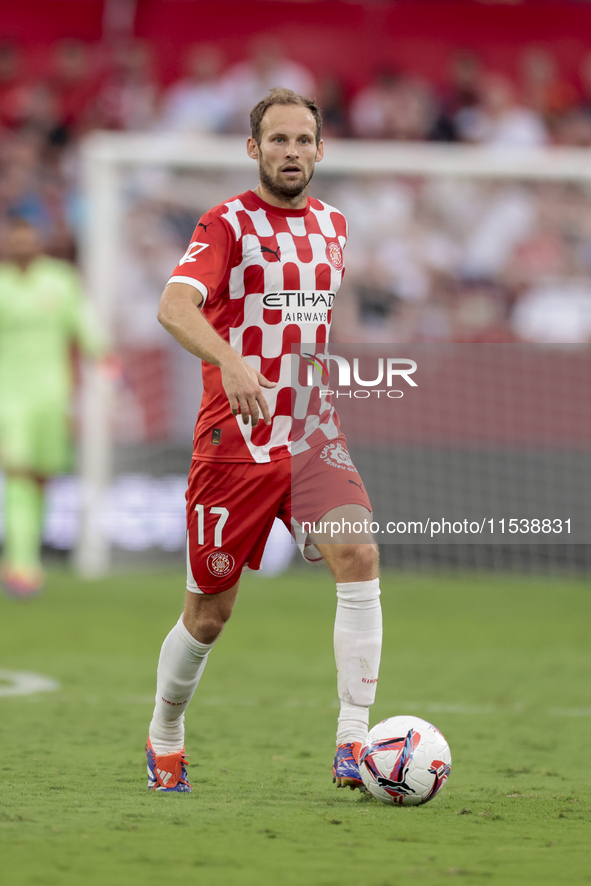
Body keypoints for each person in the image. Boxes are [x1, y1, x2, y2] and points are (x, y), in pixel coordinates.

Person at [146, 87, 382, 793]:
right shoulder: (226, 225)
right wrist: (229, 358)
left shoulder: (335, 227)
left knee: (360, 553)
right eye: (276, 140)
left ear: (319, 148)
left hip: (311, 436)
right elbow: (172, 306)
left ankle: (354, 742)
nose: (290, 152)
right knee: (209, 616)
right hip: (233, 444)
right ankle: (164, 733)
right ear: (253, 150)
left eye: (301, 140)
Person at [0, 218, 100, 596]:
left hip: (53, 398)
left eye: (28, 240)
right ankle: (20, 566)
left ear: (37, 244)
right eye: (15, 241)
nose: (21, 247)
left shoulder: (60, 282)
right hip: (9, 399)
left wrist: (107, 363)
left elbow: (85, 328)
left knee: (41, 478)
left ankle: (28, 560)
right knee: (19, 474)